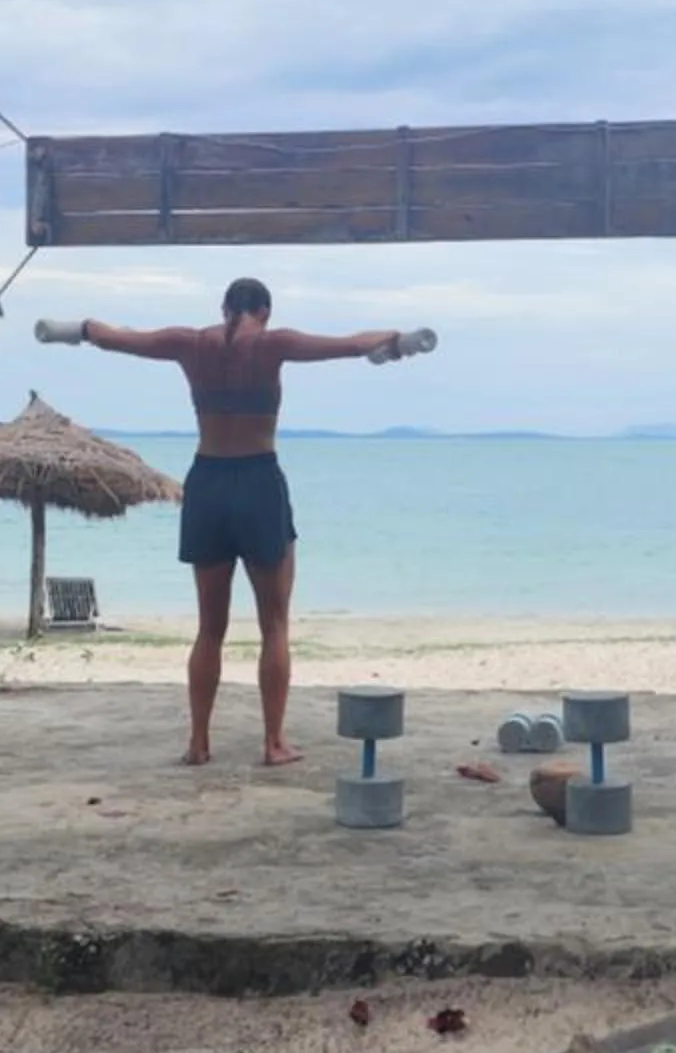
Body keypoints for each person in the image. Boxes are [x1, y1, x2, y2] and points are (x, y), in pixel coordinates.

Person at [35, 282, 436, 766]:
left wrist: (71, 329)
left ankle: (199, 743)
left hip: (207, 483)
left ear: (223, 307)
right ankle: (273, 744)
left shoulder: (189, 344)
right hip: (258, 480)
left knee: (210, 628)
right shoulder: (272, 344)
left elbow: (116, 337)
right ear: (264, 310)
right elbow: (351, 344)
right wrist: (398, 340)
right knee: (275, 625)